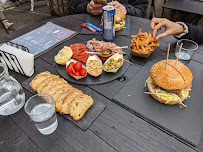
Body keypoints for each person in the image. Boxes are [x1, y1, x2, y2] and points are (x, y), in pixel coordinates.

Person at [74, 0, 148, 18]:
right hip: (91, 28)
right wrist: (87, 7)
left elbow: (142, 12)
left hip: (127, 31)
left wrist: (126, 9)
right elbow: (77, 7)